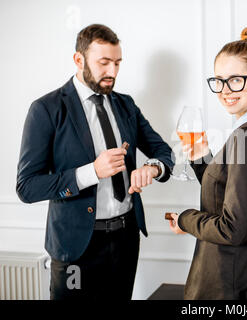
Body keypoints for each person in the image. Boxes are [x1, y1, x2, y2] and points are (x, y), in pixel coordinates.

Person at [16, 24, 174, 300]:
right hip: (75, 248)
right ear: (79, 60)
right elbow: (27, 187)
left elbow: (165, 152)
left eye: (117, 63)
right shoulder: (46, 109)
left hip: (125, 240)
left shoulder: (126, 105)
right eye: (103, 63)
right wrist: (91, 172)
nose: (112, 72)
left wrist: (153, 168)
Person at [168, 26, 247, 300]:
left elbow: (232, 229)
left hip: (233, 285)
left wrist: (185, 219)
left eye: (236, 80)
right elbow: (226, 190)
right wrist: (202, 159)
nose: (224, 91)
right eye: (219, 80)